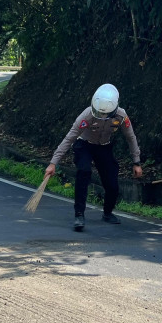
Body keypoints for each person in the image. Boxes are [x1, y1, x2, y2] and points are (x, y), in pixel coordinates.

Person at [44, 83, 143, 231]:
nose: (102, 116)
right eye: (99, 113)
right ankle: (79, 215)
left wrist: (136, 162)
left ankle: (108, 213)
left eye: (106, 114)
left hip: (104, 147)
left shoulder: (122, 116)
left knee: (112, 182)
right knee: (84, 172)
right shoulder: (86, 115)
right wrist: (53, 163)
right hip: (84, 145)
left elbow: (131, 138)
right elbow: (69, 138)